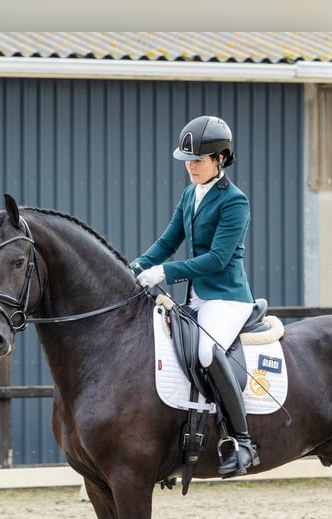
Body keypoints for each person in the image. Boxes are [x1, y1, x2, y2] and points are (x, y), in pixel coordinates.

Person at [130, 115, 259, 477]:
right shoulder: (190, 194)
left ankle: (243, 441)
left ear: (221, 159)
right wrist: (139, 264)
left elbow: (218, 259)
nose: (191, 166)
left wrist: (165, 273)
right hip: (198, 296)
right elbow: (169, 241)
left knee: (205, 350)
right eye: (187, 160)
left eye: (198, 160)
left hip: (227, 297)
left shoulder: (235, 202)